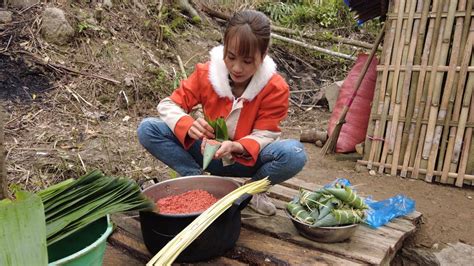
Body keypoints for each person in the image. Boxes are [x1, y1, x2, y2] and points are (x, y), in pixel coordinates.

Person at [137, 10, 307, 216]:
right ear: (224, 48)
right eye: (231, 57)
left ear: (263, 56)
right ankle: (196, 179)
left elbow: (266, 134)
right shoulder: (207, 74)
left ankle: (250, 193)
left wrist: (236, 146)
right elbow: (168, 104)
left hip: (248, 160)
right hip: (208, 154)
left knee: (294, 154)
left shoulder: (274, 87)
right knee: (148, 129)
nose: (236, 68)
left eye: (247, 61)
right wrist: (187, 123)